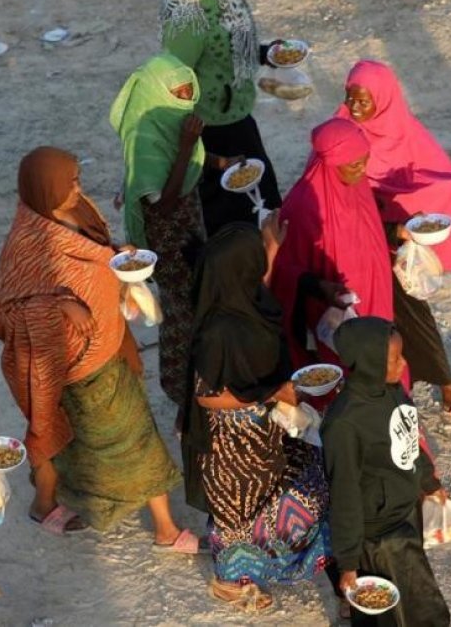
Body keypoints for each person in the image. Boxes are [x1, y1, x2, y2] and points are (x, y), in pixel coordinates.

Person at [0, 147, 200, 552]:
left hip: (109, 345)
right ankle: (164, 530)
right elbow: (5, 312)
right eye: (70, 183)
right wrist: (58, 304)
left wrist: (119, 256)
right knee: (129, 441)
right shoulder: (27, 242)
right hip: (77, 367)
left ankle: (47, 503)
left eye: (77, 179)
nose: (78, 188)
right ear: (45, 189)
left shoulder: (78, 211)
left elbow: (95, 254)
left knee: (78, 441)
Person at [183, 222, 332, 611]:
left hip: (263, 434)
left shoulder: (246, 299)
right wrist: (269, 393)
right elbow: (206, 398)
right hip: (231, 445)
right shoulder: (217, 331)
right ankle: (232, 580)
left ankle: (257, 566)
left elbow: (257, 280)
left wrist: (270, 248)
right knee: (237, 510)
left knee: (284, 488)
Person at [336, 60, 451, 421]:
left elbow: (436, 175)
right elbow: (338, 199)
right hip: (353, 243)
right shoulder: (342, 134)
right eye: (350, 97)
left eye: (364, 100)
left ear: (386, 100)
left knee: (412, 313)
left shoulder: (404, 131)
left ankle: (446, 385)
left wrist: (414, 220)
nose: (355, 108)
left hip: (389, 244)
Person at [110, 52, 241, 408]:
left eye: (188, 91)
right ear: (155, 93)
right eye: (178, 94)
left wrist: (219, 162)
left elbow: (188, 152)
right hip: (169, 243)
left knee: (201, 302)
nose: (187, 100)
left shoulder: (166, 121)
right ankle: (185, 393)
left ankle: (206, 380)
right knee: (183, 315)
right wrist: (186, 147)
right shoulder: (144, 139)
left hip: (189, 229)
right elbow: (163, 204)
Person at [322, 317, 451, 626]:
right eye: (395, 358)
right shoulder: (344, 423)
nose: (404, 364)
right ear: (369, 362)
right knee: (390, 615)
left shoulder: (392, 393)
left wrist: (428, 481)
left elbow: (408, 439)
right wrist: (349, 563)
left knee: (418, 602)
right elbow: (345, 494)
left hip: (405, 514)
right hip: (376, 535)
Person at [269, 118, 398, 409]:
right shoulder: (304, 205)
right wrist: (322, 287)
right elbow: (285, 268)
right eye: (354, 165)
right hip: (334, 310)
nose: (362, 170)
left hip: (373, 296)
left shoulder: (358, 185)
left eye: (364, 161)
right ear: (330, 163)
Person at [159, 0, 283, 236]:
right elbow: (175, 79)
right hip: (210, 130)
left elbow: (227, 48)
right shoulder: (187, 19)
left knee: (264, 200)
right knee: (231, 217)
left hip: (237, 119)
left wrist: (264, 54)